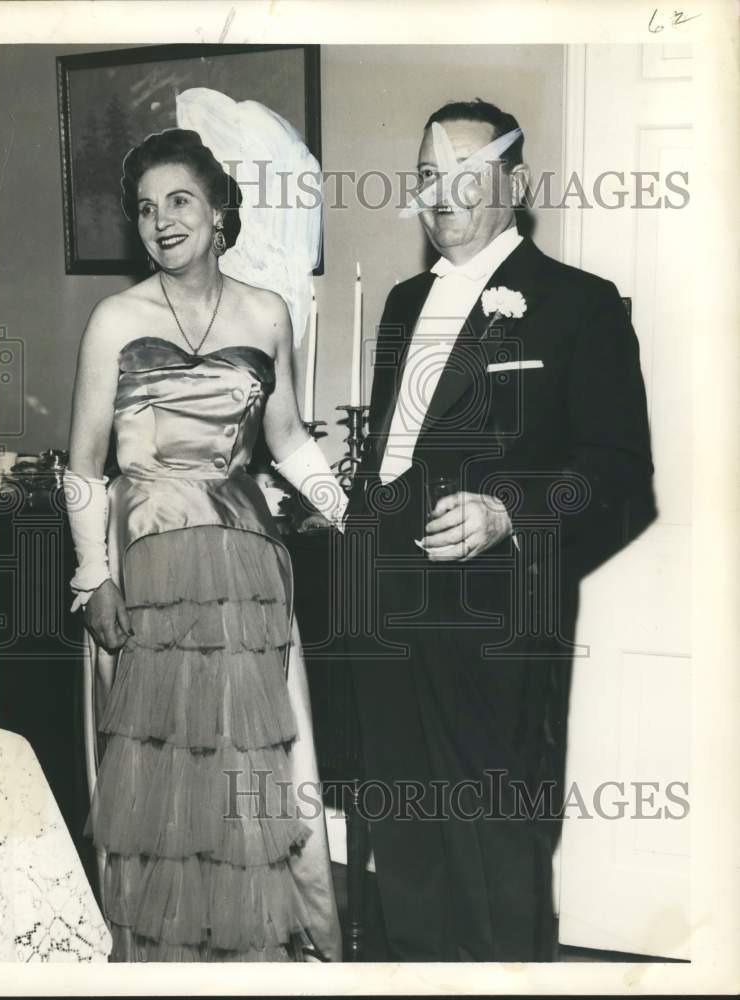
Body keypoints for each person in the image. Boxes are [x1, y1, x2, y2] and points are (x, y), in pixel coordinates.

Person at [345, 99, 654, 961]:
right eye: (427, 175)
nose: (441, 193)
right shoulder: (404, 302)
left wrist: (509, 509)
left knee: (494, 835)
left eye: (465, 175)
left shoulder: (580, 305)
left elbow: (620, 469)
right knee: (406, 833)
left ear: (515, 185)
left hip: (495, 614)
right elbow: (394, 448)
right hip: (384, 600)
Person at [66, 111, 346, 962]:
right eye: (146, 208)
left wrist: (353, 512)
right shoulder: (115, 319)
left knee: (246, 764)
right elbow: (83, 467)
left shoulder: (266, 314)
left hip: (244, 568)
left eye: (180, 201)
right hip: (145, 569)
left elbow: (288, 439)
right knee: (161, 777)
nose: (163, 222)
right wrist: (92, 577)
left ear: (220, 211)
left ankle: (253, 957)